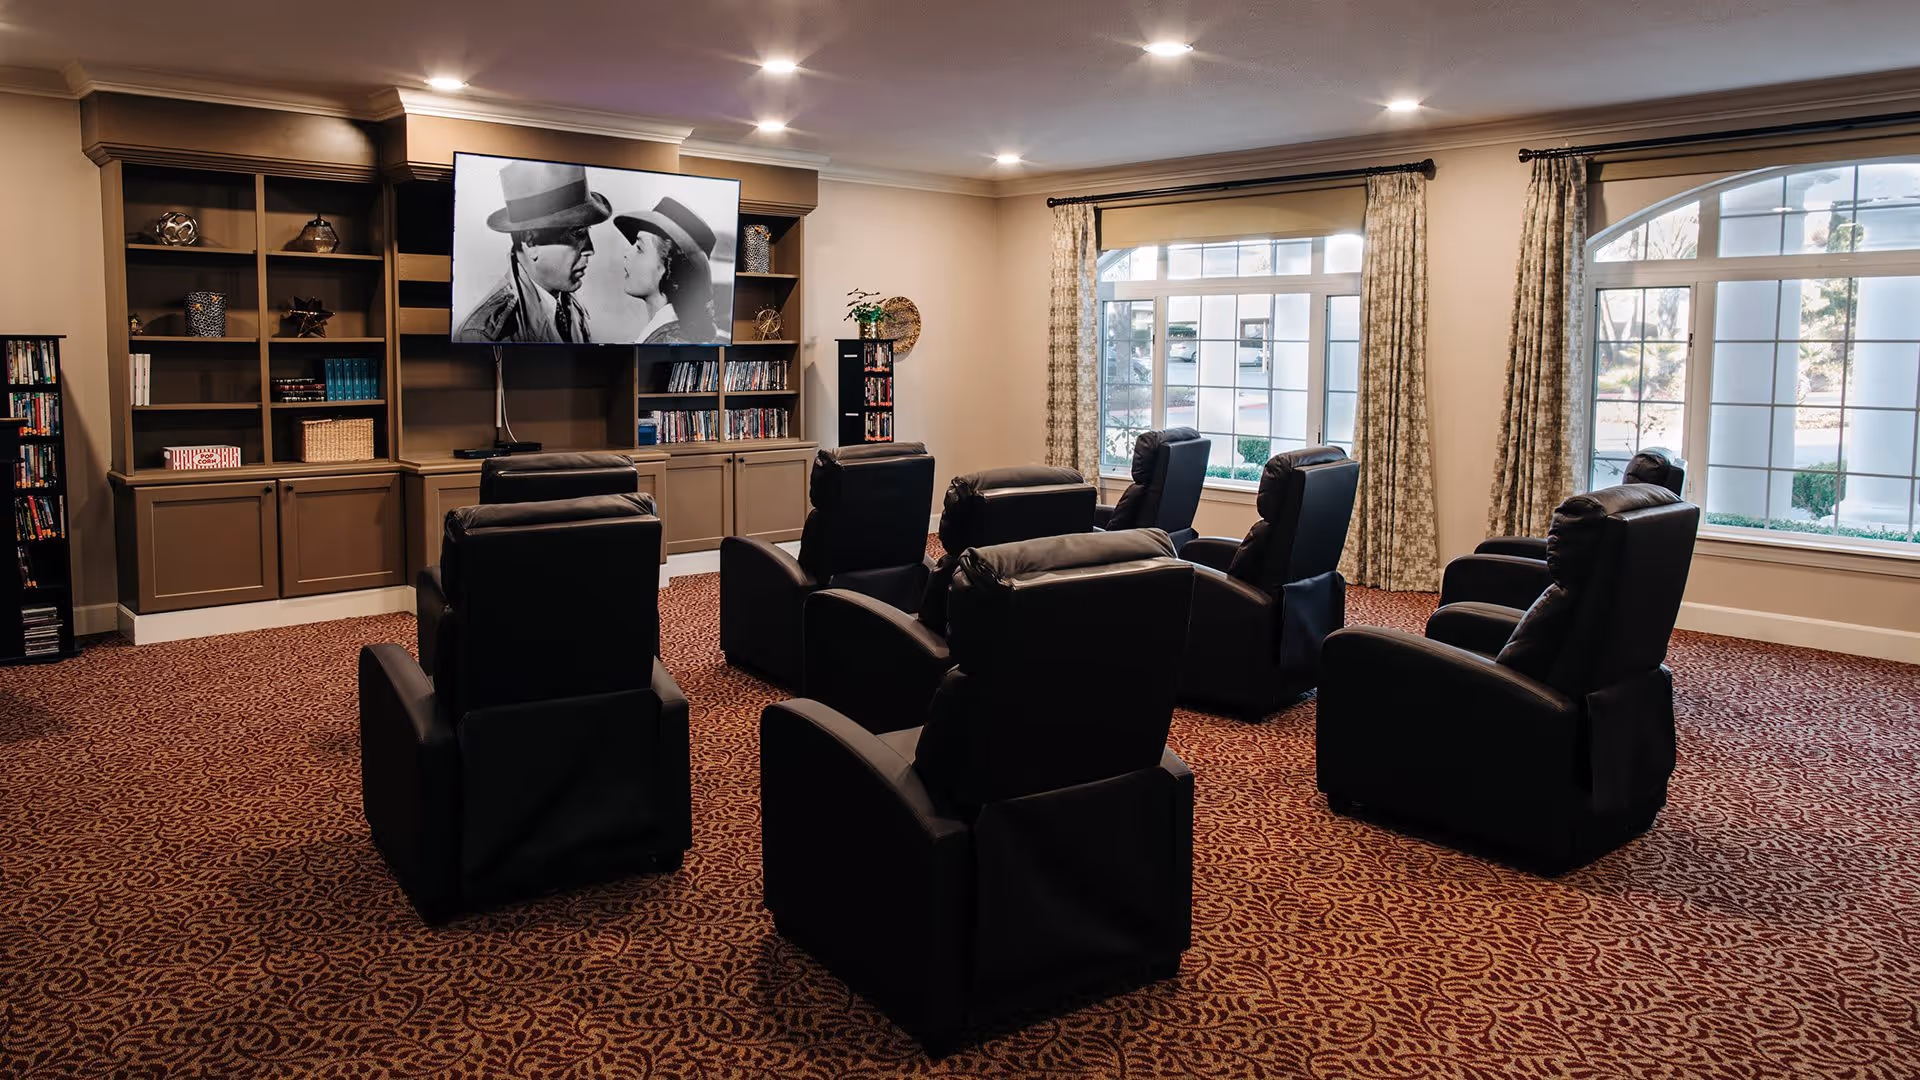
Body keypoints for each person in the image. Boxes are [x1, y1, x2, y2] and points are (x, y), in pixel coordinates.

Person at [455, 160, 610, 343]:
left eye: (587, 232)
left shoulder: (569, 306)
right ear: (531, 241)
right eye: (578, 233)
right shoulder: (485, 335)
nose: (590, 250)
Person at [612, 197, 723, 345]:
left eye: (639, 248)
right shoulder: (665, 336)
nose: (627, 253)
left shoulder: (667, 343)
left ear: (670, 269)